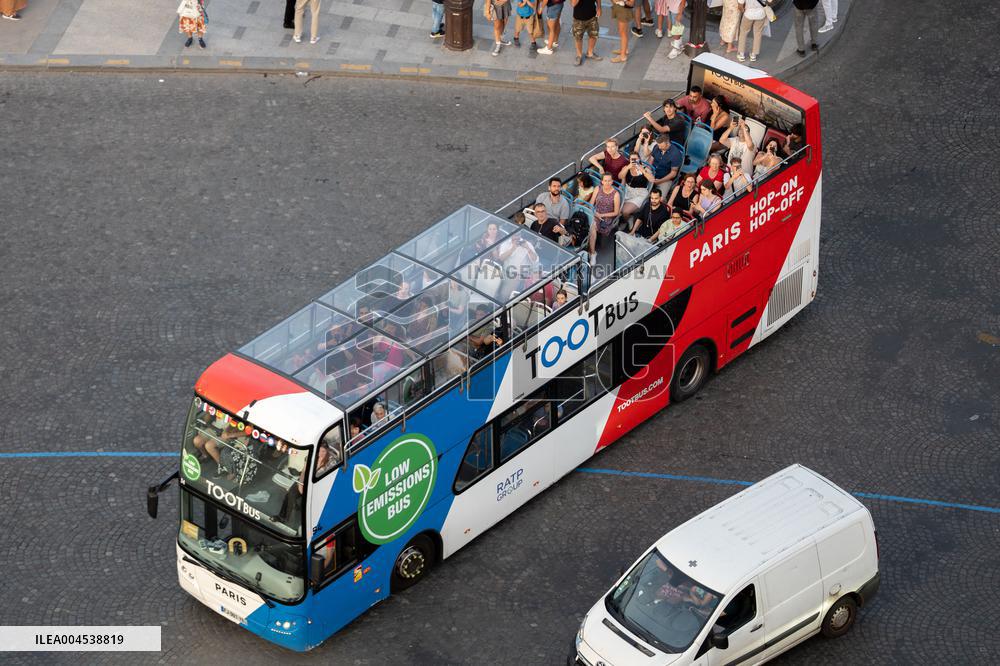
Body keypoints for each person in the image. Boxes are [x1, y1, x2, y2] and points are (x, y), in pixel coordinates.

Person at [588, 172, 622, 259]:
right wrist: (595, 213)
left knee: (593, 226)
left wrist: (602, 215)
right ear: (602, 181)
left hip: (607, 216)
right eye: (605, 181)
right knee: (590, 224)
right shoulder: (597, 188)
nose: (607, 183)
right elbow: (591, 203)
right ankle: (592, 252)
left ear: (612, 181)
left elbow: (616, 212)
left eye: (609, 181)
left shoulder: (616, 194)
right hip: (595, 212)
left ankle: (592, 252)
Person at [620, 154, 654, 228]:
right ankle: (628, 217)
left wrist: (643, 171)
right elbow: (620, 176)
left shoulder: (644, 168)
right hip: (628, 190)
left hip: (640, 192)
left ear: (639, 159)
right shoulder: (627, 167)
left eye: (636, 159)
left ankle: (626, 220)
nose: (634, 161)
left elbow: (652, 179)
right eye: (632, 159)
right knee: (617, 206)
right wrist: (627, 168)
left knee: (625, 211)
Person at [570, 0, 602, 67]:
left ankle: (590, 53)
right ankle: (579, 55)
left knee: (594, 34)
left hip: (592, 17)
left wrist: (599, 8)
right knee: (578, 37)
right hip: (578, 18)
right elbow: (573, 4)